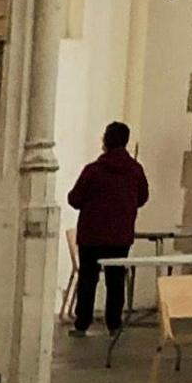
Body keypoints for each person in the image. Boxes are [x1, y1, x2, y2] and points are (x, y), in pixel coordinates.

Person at [67, 120, 150, 336]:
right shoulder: (135, 170)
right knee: (116, 280)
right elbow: (143, 197)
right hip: (120, 236)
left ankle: (81, 324)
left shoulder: (93, 170)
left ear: (105, 141)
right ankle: (114, 324)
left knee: (88, 280)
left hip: (91, 235)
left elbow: (74, 199)